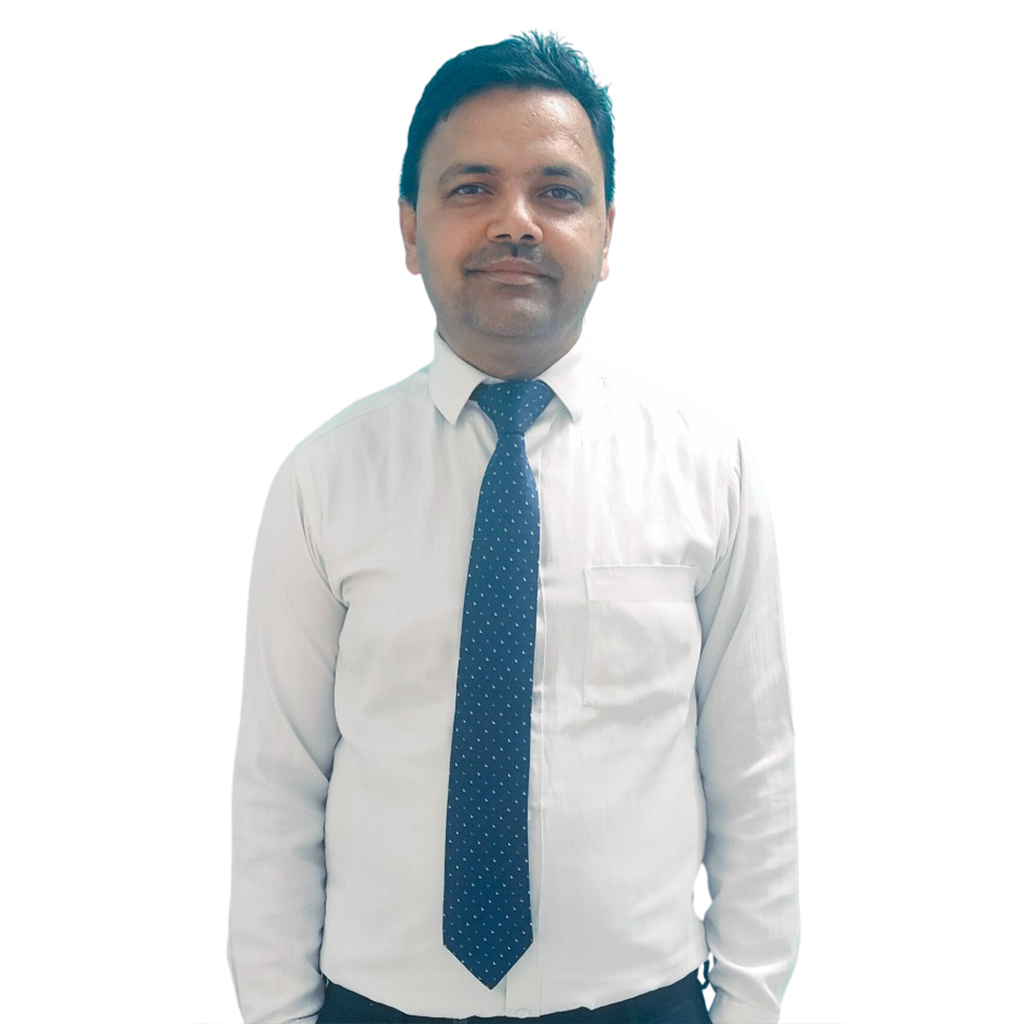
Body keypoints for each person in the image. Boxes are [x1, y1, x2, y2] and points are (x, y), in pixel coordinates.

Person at [229, 31, 799, 1024]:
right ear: (409, 230)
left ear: (608, 234)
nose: (515, 222)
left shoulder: (708, 470)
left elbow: (754, 773)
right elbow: (280, 783)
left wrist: (747, 1009)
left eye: (558, 191)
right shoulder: (325, 481)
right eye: (471, 188)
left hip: (642, 1004)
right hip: (379, 1006)